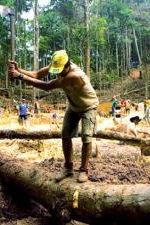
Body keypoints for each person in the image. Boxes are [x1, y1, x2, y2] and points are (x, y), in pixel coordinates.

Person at [8, 50, 99, 183]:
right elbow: (36, 74)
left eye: (60, 70)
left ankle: (84, 170)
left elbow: (47, 86)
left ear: (67, 65)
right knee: (65, 134)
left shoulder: (74, 75)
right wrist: (19, 70)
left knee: (86, 137)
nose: (57, 73)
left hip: (88, 106)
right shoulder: (57, 65)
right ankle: (68, 168)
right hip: (74, 106)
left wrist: (20, 76)